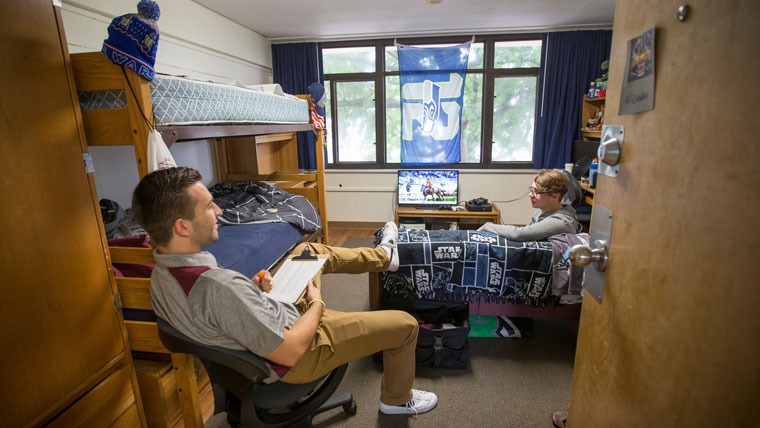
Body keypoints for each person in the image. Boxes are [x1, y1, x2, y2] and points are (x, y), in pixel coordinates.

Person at [131, 167, 438, 416]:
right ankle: (396, 401)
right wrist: (316, 304)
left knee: (307, 251)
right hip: (298, 353)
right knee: (406, 326)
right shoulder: (219, 286)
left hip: (260, 328)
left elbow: (214, 310)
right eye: (208, 206)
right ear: (183, 227)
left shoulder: (162, 274)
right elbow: (290, 350)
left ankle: (384, 258)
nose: (219, 209)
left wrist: (253, 292)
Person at [479, 169, 581, 241]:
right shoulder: (542, 211)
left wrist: (488, 226)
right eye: (531, 189)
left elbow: (519, 234)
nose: (530, 195)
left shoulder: (560, 222)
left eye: (536, 192)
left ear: (554, 196)